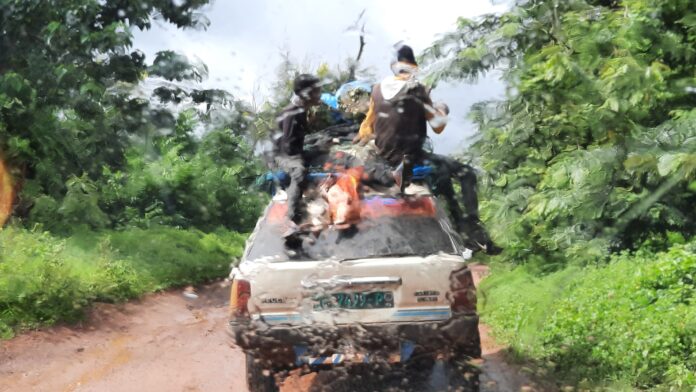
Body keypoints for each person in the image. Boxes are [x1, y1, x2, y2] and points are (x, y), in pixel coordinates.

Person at [356, 44, 501, 254]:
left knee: (443, 180)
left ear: (394, 67)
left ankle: (462, 232)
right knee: (467, 174)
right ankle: (472, 226)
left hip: (384, 159)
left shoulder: (377, 89)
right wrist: (438, 107)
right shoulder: (417, 88)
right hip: (412, 158)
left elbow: (366, 129)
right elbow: (438, 126)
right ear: (414, 67)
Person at [275, 74, 323, 234]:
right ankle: (291, 220)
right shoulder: (292, 112)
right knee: (299, 173)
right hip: (286, 156)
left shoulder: (301, 110)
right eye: (317, 91)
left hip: (297, 152)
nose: (320, 94)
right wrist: (302, 159)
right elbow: (288, 144)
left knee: (324, 152)